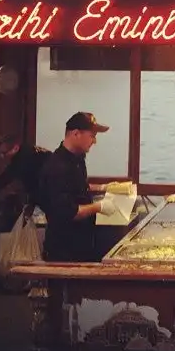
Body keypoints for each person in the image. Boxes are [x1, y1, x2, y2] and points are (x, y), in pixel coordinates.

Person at [40, 112, 117, 263]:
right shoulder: (57, 166)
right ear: (76, 134)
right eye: (92, 135)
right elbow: (69, 212)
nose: (94, 141)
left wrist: (103, 187)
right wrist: (99, 207)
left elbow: (78, 186)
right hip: (64, 248)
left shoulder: (78, 158)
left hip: (83, 240)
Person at [0, 135, 52, 215]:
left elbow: (4, 179)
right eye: (0, 153)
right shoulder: (26, 149)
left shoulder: (23, 159)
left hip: (51, 189)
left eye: (4, 153)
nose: (2, 156)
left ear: (15, 148)